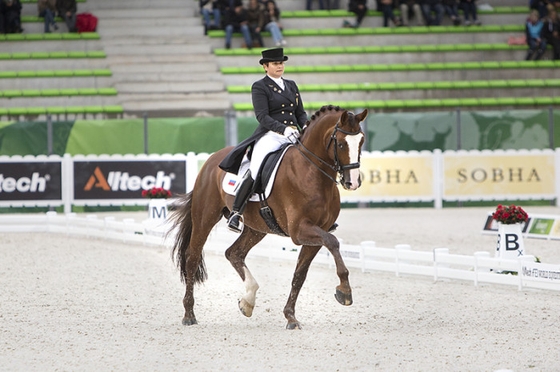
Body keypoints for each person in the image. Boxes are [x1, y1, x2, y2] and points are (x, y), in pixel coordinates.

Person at [219, 48, 307, 233]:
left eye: (281, 63)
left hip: (294, 135)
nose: (280, 66)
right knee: (256, 167)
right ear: (266, 66)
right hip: (271, 135)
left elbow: (300, 113)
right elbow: (262, 116)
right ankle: (236, 212)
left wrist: (305, 128)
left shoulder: (291, 85)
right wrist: (283, 129)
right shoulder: (260, 86)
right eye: (275, 63)